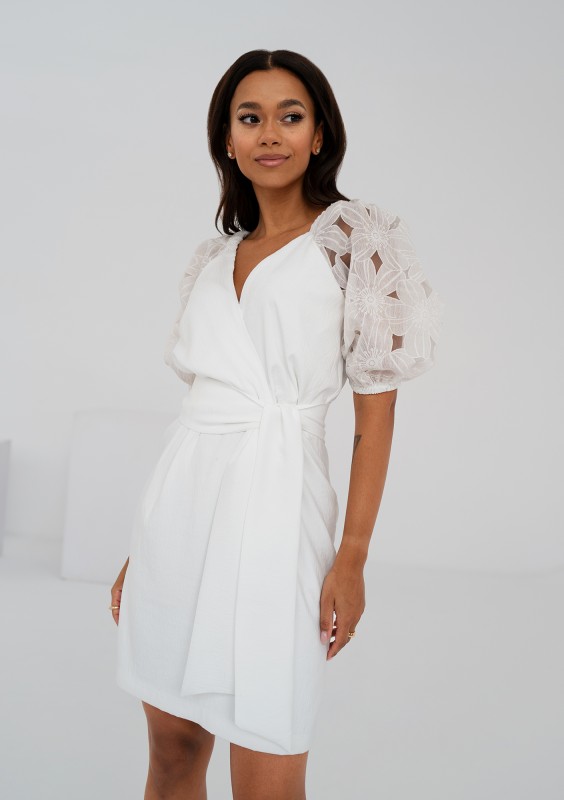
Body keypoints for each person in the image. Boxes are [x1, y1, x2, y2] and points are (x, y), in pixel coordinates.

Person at [110, 48, 444, 800]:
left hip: (281, 515)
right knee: (170, 754)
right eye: (249, 117)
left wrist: (351, 557)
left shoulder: (356, 241)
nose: (270, 134)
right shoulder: (212, 258)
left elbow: (376, 412)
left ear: (319, 134)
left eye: (290, 116)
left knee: (268, 770)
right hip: (178, 523)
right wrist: (143, 552)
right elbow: (203, 414)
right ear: (226, 139)